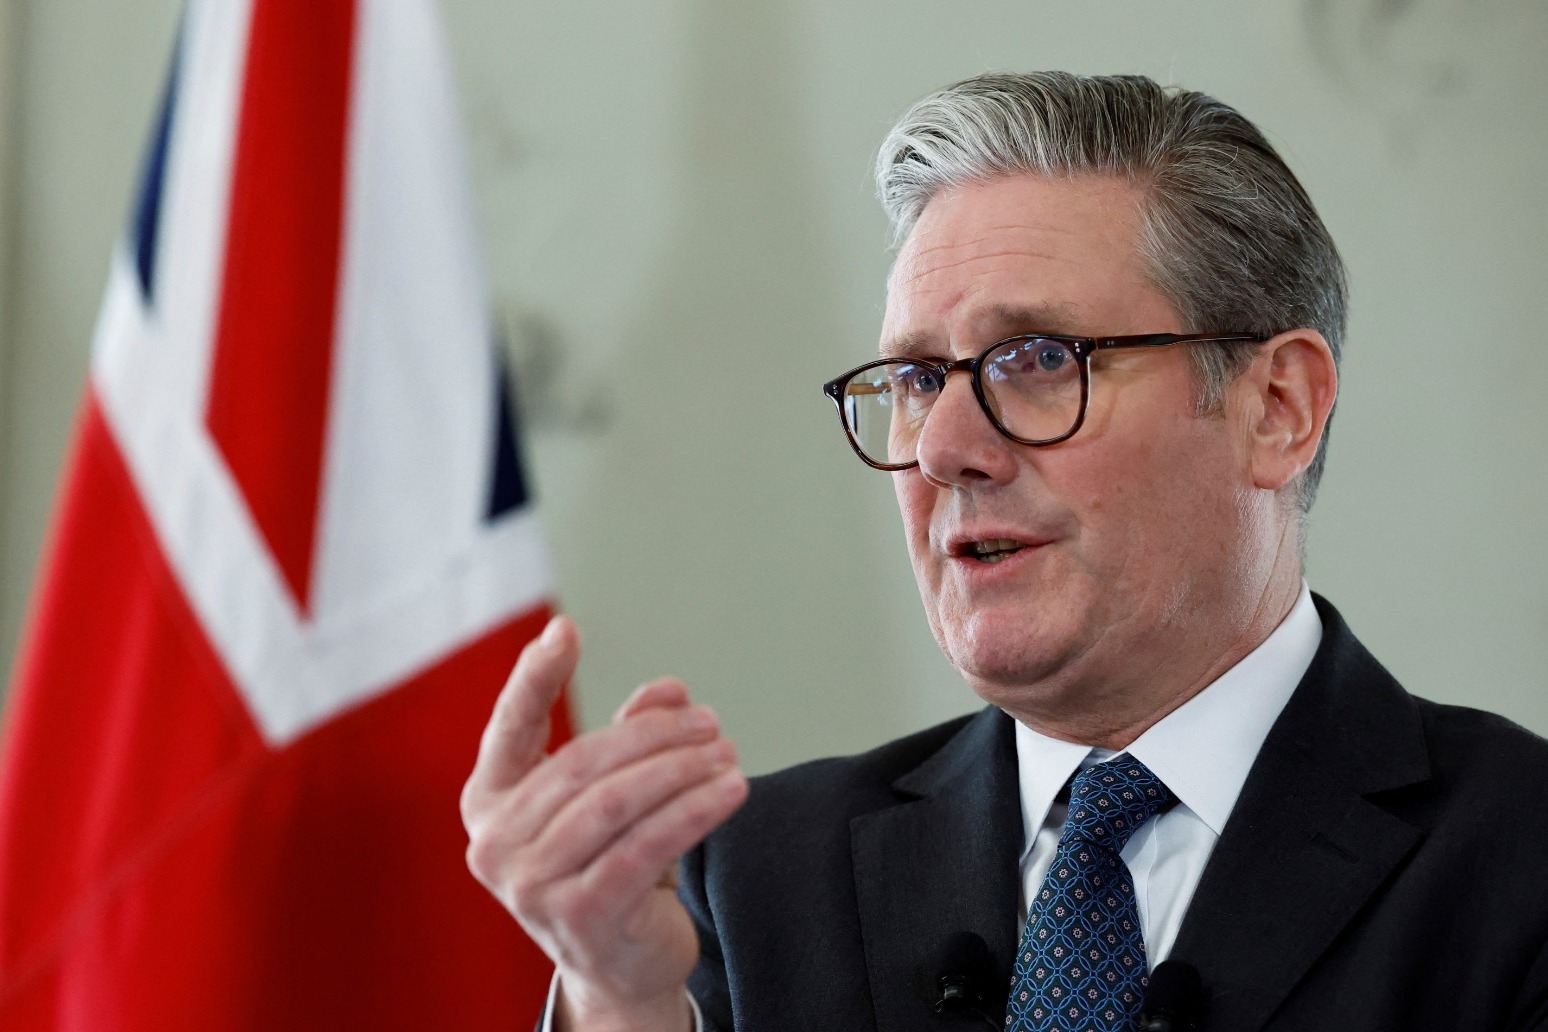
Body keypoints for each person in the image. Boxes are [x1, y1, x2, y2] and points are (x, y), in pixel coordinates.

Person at [460, 72, 1548, 1031]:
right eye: (915, 380)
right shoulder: (746, 885)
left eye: (1037, 359)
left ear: (1277, 408)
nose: (942, 448)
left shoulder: (1520, 859)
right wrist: (621, 1005)